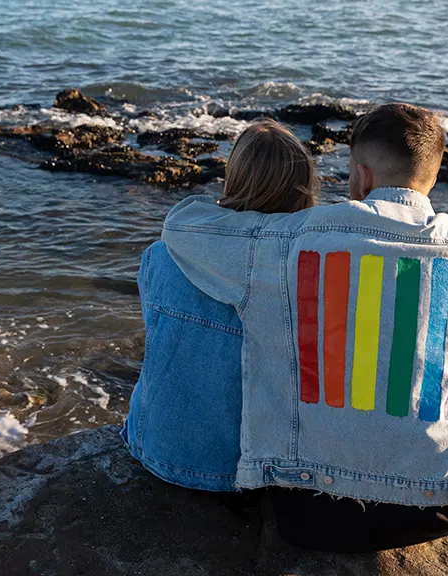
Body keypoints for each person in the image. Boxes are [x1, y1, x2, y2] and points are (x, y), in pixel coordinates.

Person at [159, 103, 448, 552]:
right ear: (432, 176)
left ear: (360, 174)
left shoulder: (283, 241)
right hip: (447, 502)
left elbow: (181, 226)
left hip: (305, 509)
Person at [122, 119, 319, 492]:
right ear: (303, 188)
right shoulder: (304, 275)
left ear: (233, 179)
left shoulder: (162, 254)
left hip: (156, 448)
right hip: (249, 472)